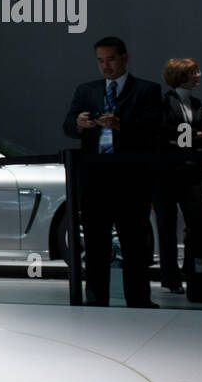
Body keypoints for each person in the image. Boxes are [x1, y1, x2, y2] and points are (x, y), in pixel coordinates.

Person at [62, 36, 163, 307]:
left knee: (134, 244)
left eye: (111, 59)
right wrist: (80, 123)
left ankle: (139, 299)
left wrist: (121, 125)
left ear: (124, 58)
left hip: (131, 179)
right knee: (95, 244)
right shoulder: (87, 91)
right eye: (101, 60)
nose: (106, 66)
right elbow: (68, 124)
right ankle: (96, 300)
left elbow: (154, 128)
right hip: (95, 178)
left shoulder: (147, 90)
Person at [153, 57, 202, 293]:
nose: (198, 75)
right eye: (194, 72)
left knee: (198, 226)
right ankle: (171, 278)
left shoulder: (200, 103)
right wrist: (192, 135)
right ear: (181, 75)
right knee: (167, 227)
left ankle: (194, 273)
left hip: (192, 172)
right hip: (166, 174)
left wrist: (183, 136)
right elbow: (161, 135)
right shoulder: (163, 102)